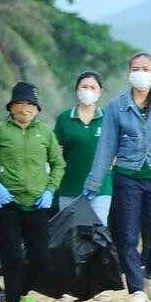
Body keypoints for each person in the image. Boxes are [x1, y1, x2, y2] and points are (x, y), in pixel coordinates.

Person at [84, 51, 151, 302]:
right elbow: (106, 148)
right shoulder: (116, 106)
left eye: (146, 69)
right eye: (136, 69)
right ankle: (136, 290)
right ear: (129, 73)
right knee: (127, 237)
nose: (141, 73)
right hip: (127, 178)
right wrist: (93, 183)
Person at [0, 82, 64, 302]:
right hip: (9, 207)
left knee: (41, 259)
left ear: (37, 108)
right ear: (11, 106)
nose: (24, 108)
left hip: (37, 205)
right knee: (12, 260)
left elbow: (58, 164)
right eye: (20, 103)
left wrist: (49, 189)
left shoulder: (45, 133)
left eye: (29, 104)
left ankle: (24, 294)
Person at [53, 71, 111, 219]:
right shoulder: (64, 119)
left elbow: (114, 152)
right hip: (69, 187)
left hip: (101, 189)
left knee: (96, 234)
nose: (88, 91)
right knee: (69, 234)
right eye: (84, 87)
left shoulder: (108, 118)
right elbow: (56, 155)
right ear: (77, 90)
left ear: (100, 92)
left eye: (93, 87)